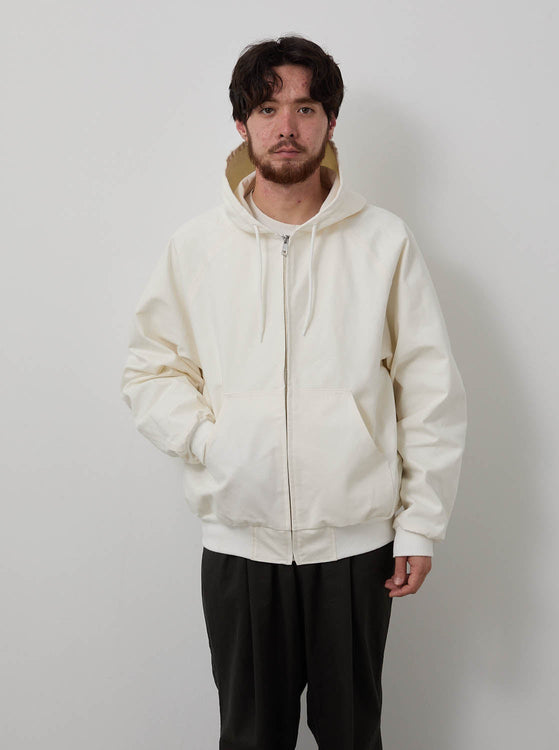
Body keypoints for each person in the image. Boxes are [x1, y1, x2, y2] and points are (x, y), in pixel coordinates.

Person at [121, 34, 467, 750]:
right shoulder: (197, 247)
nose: (287, 127)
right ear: (242, 123)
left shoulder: (384, 242)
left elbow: (428, 389)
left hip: (356, 549)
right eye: (267, 108)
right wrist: (211, 441)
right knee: (250, 738)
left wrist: (420, 525)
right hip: (240, 546)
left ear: (330, 121)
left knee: (352, 736)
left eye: (305, 108)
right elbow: (150, 369)